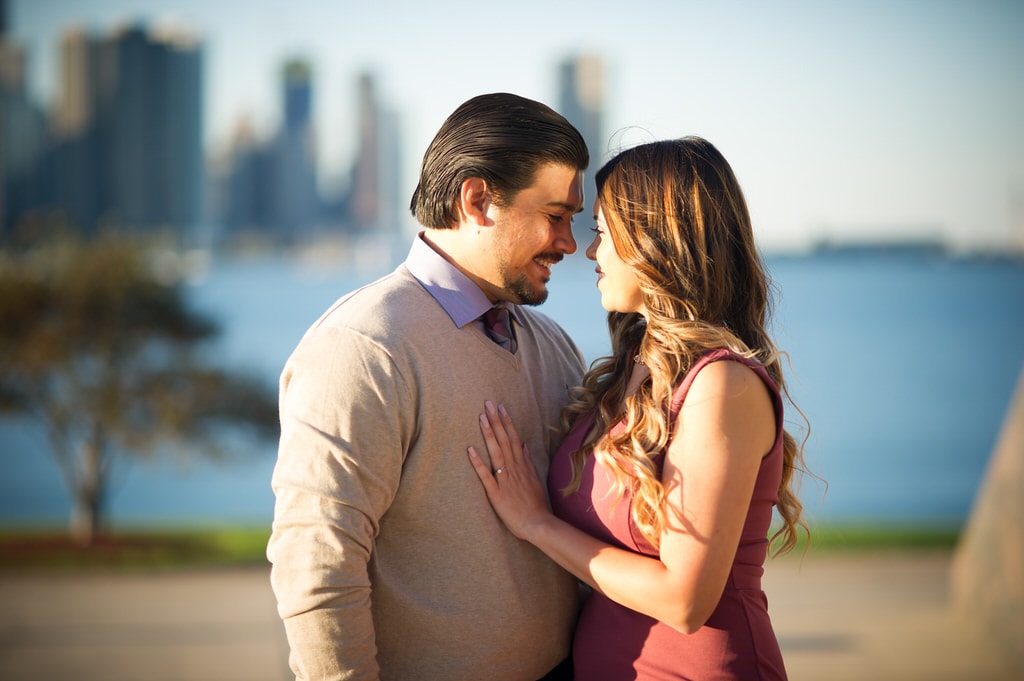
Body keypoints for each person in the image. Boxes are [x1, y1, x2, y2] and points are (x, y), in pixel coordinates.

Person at [267, 93, 590, 681]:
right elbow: (316, 564)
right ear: (477, 200)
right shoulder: (364, 347)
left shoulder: (552, 344)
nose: (570, 242)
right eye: (555, 215)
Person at [468, 137, 808, 680]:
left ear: (656, 240)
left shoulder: (721, 385)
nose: (588, 251)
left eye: (603, 232)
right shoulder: (629, 370)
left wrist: (535, 523)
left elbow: (685, 600)